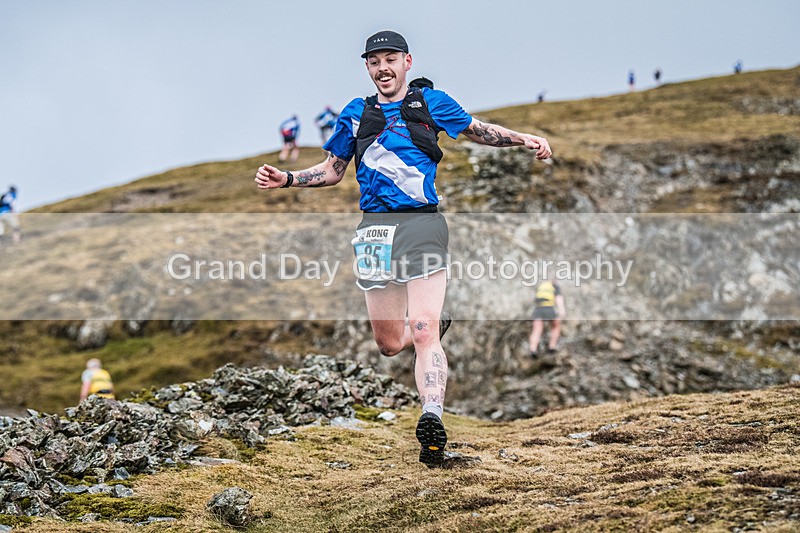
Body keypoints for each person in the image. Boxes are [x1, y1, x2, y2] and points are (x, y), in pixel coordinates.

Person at [255, 30, 551, 467]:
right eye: (374, 62)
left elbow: (476, 131)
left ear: (407, 62)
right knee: (390, 343)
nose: (383, 68)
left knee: (423, 330)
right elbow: (334, 169)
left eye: (390, 58)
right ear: (368, 68)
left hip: (422, 223)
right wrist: (290, 179)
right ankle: (428, 329)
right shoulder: (355, 114)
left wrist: (522, 138)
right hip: (374, 231)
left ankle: (432, 421)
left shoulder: (430, 103)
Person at [529, 279, 566, 358]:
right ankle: (552, 347)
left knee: (536, 330)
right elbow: (559, 299)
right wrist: (562, 312)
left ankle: (533, 350)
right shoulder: (554, 286)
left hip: (538, 309)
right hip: (549, 308)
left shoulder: (540, 286)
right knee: (556, 326)